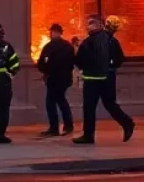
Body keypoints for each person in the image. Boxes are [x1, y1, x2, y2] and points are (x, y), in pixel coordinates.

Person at [73, 14, 135, 145]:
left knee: (90, 107)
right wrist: (110, 66)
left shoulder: (88, 42)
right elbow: (119, 59)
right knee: (108, 104)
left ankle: (89, 135)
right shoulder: (109, 40)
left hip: (92, 80)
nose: (90, 26)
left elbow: (79, 61)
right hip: (107, 78)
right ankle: (126, 122)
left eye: (92, 24)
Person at [36, 23, 75, 137]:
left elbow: (41, 63)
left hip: (53, 79)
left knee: (51, 103)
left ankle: (54, 128)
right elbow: (72, 63)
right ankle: (68, 125)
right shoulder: (68, 46)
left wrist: (45, 72)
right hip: (64, 79)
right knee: (62, 100)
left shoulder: (49, 47)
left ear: (52, 32)